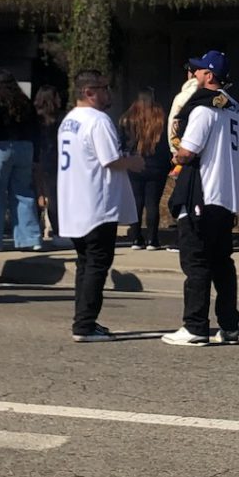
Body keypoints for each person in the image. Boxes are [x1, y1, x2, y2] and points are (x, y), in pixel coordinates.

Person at [162, 51, 239, 346]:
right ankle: (229, 325)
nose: (193, 75)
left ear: (209, 76)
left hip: (203, 193)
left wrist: (176, 152)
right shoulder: (235, 107)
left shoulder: (203, 109)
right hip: (228, 195)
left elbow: (188, 151)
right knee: (223, 263)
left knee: (196, 262)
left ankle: (195, 326)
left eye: (197, 71)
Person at [57, 70, 141, 342]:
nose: (109, 93)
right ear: (89, 92)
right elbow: (110, 159)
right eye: (104, 88)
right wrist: (134, 162)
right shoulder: (98, 120)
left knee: (85, 264)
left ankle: (83, 319)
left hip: (74, 204)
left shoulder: (69, 120)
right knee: (96, 264)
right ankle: (85, 323)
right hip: (97, 204)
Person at [0, 69, 42, 251]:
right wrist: (36, 155)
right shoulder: (25, 102)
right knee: (24, 194)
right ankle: (30, 238)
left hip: (1, 147)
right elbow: (36, 129)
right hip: (26, 148)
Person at [119, 88, 173, 250]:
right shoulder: (161, 119)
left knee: (136, 201)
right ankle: (152, 239)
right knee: (152, 203)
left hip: (135, 163)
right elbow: (166, 143)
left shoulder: (128, 118)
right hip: (157, 164)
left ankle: (136, 238)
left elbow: (121, 141)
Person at [34, 85, 65, 245]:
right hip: (53, 160)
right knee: (53, 197)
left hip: (39, 159)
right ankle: (59, 232)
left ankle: (37, 232)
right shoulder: (58, 120)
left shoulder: (35, 119)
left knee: (43, 196)